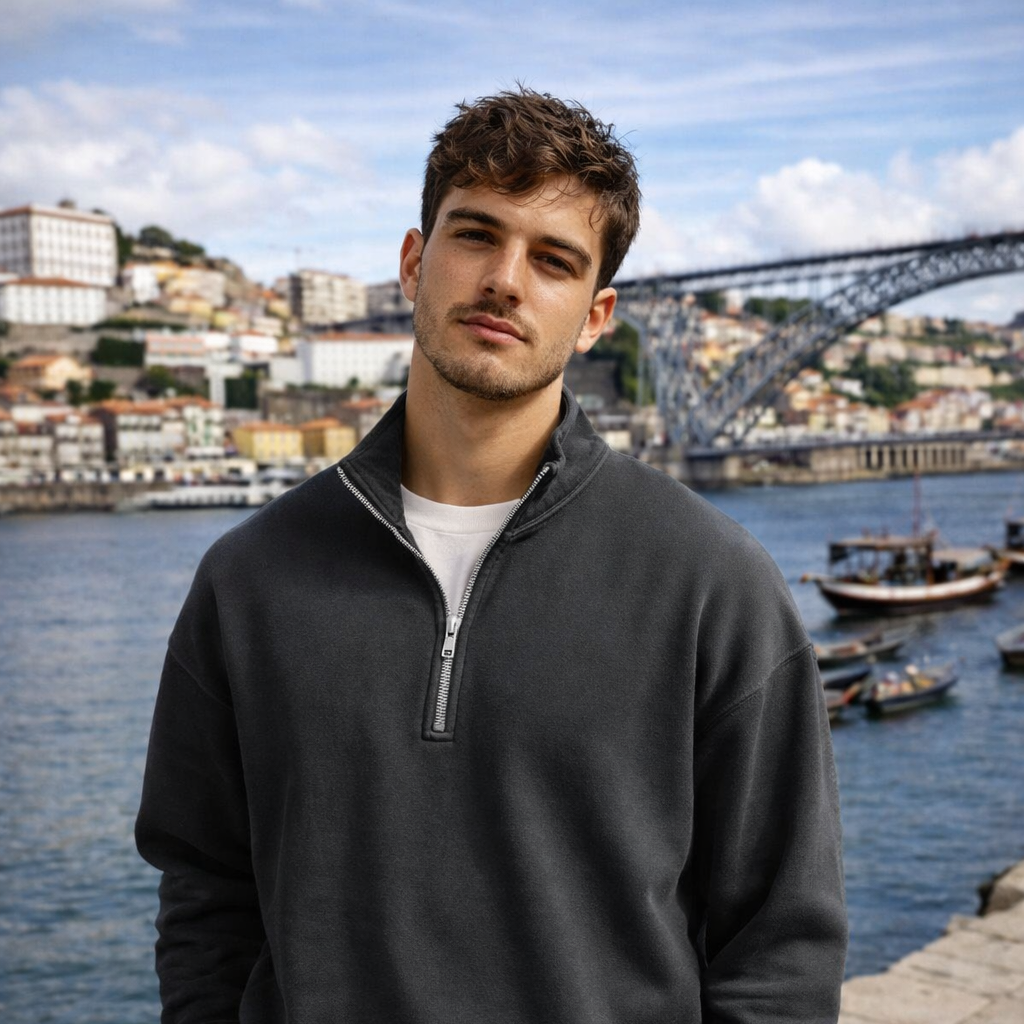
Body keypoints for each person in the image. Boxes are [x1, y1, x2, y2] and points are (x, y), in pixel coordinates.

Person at [136, 87, 847, 1023]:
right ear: (412, 261)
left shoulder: (712, 582)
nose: (506, 279)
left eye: (553, 259)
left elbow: (781, 946)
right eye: (477, 234)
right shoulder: (248, 580)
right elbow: (205, 898)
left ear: (596, 317)